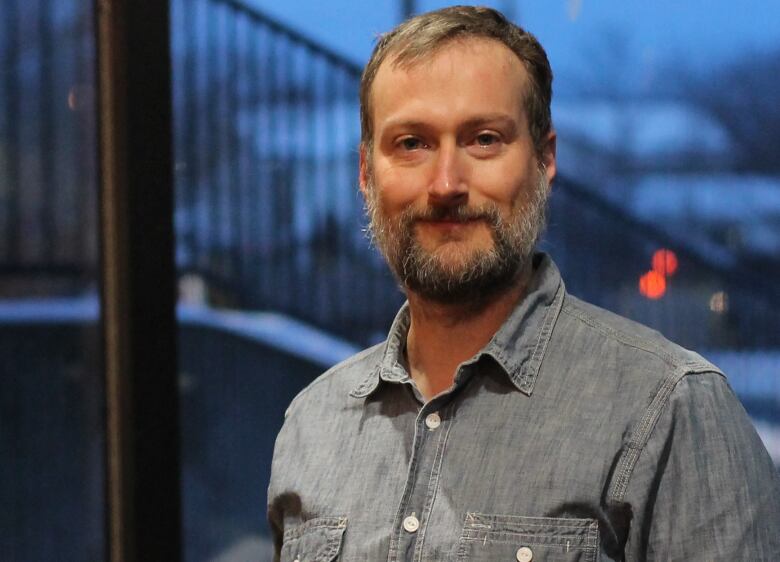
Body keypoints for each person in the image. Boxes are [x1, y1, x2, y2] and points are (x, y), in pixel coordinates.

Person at [268, 6, 780, 561]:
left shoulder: (671, 410)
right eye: (411, 143)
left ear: (545, 159)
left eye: (484, 139)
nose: (445, 183)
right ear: (366, 173)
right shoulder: (312, 425)